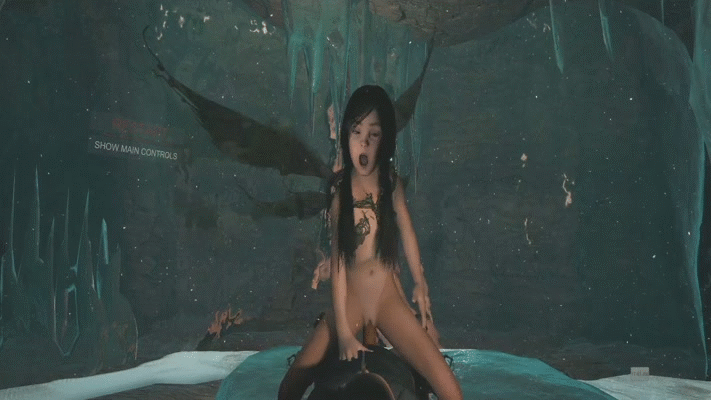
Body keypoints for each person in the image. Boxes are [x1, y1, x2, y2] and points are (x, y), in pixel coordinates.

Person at [278, 85, 463, 400]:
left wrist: (421, 286)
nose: (363, 142)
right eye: (356, 132)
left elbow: (407, 233)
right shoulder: (341, 193)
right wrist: (344, 332)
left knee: (451, 392)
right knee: (289, 387)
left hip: (387, 299)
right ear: (346, 135)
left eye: (373, 134)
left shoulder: (391, 184)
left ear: (385, 139)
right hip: (351, 299)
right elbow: (339, 264)